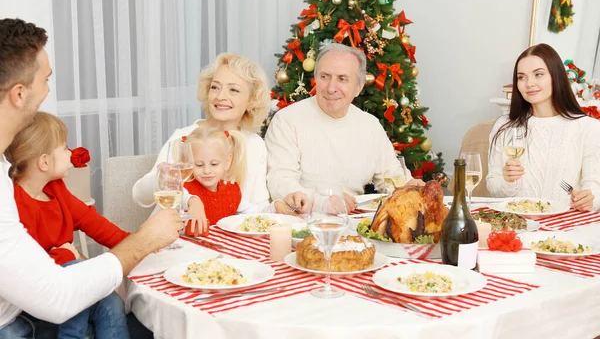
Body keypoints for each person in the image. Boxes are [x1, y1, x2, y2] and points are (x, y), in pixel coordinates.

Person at [0, 18, 183, 337]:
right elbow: (57, 296)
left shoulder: (7, 174)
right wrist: (144, 241)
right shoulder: (9, 191)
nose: (46, 92)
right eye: (46, 80)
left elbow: (90, 226)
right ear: (19, 93)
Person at [6, 111, 130, 338]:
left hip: (64, 277)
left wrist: (134, 245)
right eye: (64, 148)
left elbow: (93, 222)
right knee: (76, 271)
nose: (71, 153)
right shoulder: (16, 204)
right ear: (44, 162)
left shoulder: (55, 188)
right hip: (39, 297)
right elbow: (32, 269)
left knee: (110, 302)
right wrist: (68, 257)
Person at [265, 43, 421, 214]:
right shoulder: (287, 120)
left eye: (342, 79)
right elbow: (279, 181)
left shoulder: (370, 125)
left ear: (359, 87)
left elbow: (391, 178)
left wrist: (409, 186)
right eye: (325, 77)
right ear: (315, 78)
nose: (331, 88)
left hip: (355, 223)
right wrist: (321, 202)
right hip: (303, 222)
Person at [132, 53, 275, 232]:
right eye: (215, 87)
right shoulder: (184, 138)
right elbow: (140, 197)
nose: (220, 96)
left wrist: (281, 207)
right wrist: (159, 181)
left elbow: (257, 208)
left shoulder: (254, 144)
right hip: (175, 238)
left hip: (225, 245)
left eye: (233, 90)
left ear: (252, 101)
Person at [487, 43, 600, 211]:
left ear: (556, 77)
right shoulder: (504, 126)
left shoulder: (588, 128)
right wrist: (507, 180)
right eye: (521, 77)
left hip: (563, 228)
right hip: (516, 223)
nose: (529, 83)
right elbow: (492, 184)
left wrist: (590, 198)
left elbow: (595, 186)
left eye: (538, 74)